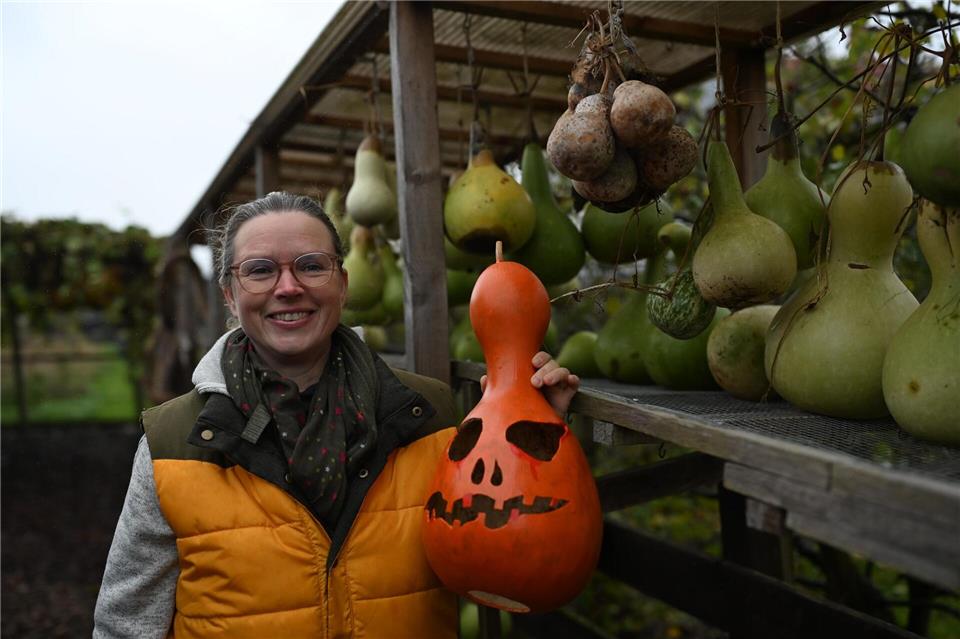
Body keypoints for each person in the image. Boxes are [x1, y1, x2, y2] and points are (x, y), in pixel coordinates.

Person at [93, 191, 580, 639]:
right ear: (229, 294)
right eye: (260, 270)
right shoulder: (173, 443)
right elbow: (127, 623)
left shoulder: (431, 418)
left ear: (342, 285)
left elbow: (506, 550)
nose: (288, 287)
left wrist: (536, 434)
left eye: (311, 266)